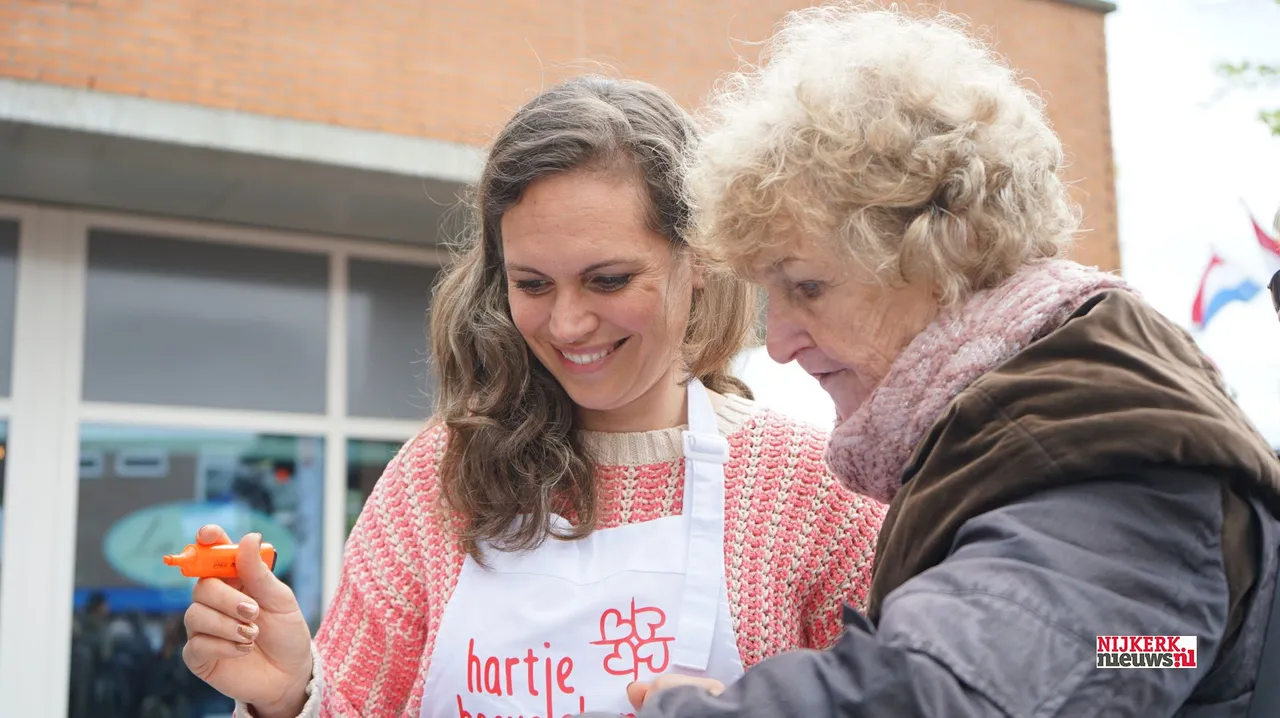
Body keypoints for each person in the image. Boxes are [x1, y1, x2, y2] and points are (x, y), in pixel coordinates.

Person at [601, 3, 1280, 716]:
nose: (779, 340)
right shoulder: (1060, 421)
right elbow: (1138, 651)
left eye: (807, 287)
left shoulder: (1099, 448)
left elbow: (956, 691)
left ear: (944, 250)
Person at [179, 75, 886, 718]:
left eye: (607, 279)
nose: (568, 324)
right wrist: (286, 699)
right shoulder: (438, 481)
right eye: (533, 284)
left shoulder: (813, 496)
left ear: (698, 258)